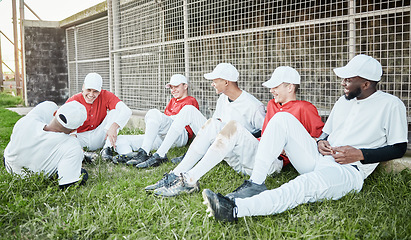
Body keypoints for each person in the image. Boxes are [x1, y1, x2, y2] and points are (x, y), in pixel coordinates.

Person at [201, 54, 408, 222]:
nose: (343, 83)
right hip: (317, 157)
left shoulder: (391, 104)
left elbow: (399, 147)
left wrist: (360, 154)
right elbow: (327, 132)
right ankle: (256, 182)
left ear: (365, 83)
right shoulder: (343, 101)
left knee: (302, 186)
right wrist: (320, 141)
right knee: (282, 118)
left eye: (349, 79)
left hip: (347, 171)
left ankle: (235, 209)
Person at [151, 66, 324, 197]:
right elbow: (264, 133)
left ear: (290, 87)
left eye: (275, 86)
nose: (271, 90)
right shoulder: (272, 105)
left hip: (271, 164)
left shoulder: (305, 108)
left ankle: (189, 180)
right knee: (212, 123)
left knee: (233, 126)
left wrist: (288, 145)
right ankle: (176, 174)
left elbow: (315, 140)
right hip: (248, 157)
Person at [135, 63, 266, 169]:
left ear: (226, 82)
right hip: (219, 138)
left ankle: (195, 155)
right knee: (188, 110)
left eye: (215, 80)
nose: (212, 83)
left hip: (235, 147)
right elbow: (214, 123)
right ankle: (160, 154)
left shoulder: (253, 106)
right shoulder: (223, 98)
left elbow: (265, 134)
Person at [107, 74, 199, 165]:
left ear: (185, 86)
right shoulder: (172, 101)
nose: (173, 90)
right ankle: (130, 156)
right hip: (163, 136)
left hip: (180, 135)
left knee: (153, 113)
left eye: (176, 86)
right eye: (171, 87)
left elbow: (179, 122)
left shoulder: (190, 100)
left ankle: (144, 153)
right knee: (121, 139)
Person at [3, 101, 89, 189]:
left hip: (9, 166)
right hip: (31, 178)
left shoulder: (26, 121)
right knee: (83, 174)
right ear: (74, 130)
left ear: (55, 113)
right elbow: (67, 185)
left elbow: (45, 107)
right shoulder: (72, 145)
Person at [66, 73, 132, 161]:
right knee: (66, 131)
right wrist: (74, 140)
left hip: (100, 136)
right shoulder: (73, 100)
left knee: (115, 111)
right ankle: (82, 154)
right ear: (83, 87)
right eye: (88, 90)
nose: (91, 94)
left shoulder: (105, 95)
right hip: (79, 138)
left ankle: (106, 150)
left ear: (100, 90)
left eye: (95, 91)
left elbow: (126, 110)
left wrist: (114, 126)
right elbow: (61, 122)